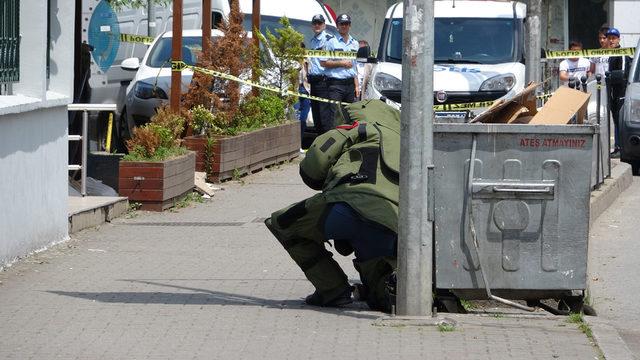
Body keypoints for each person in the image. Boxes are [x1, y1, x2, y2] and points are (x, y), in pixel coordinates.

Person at [264, 99, 400, 313]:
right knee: (379, 290)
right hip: (393, 219)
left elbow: (313, 168)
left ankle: (333, 290)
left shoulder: (358, 128)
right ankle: (392, 293)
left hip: (347, 204)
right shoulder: (408, 140)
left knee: (283, 223)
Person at [320, 13, 359, 128]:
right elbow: (323, 62)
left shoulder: (355, 43)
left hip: (350, 84)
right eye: (341, 24)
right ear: (337, 26)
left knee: (349, 115)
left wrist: (357, 86)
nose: (344, 26)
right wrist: (341, 63)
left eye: (346, 24)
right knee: (335, 116)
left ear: (350, 25)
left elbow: (354, 66)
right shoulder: (330, 42)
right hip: (335, 84)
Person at [606, 27, 633, 157]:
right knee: (616, 120)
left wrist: (607, 77)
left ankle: (621, 148)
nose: (611, 40)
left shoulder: (621, 53)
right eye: (609, 38)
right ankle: (618, 147)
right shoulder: (610, 54)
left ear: (618, 39)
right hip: (613, 93)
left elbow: (621, 74)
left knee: (620, 120)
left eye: (613, 38)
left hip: (620, 93)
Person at [308, 14, 334, 135]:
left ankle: (327, 144)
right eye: (315, 23)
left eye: (319, 23)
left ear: (324, 25)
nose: (317, 25)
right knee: (316, 115)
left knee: (325, 117)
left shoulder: (328, 39)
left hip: (324, 81)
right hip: (313, 81)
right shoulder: (313, 40)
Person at [297, 42, 311, 150]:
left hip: (306, 90)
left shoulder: (308, 61)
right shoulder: (290, 62)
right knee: (295, 117)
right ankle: (294, 145)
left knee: (303, 118)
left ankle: (299, 144)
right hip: (294, 90)